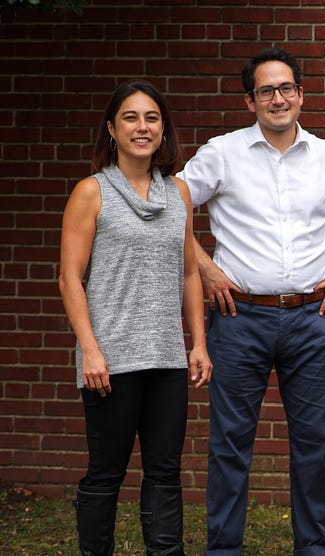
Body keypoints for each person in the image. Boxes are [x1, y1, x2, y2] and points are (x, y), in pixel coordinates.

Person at [177, 47, 325, 555]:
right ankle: (223, 550)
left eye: (286, 89)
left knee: (316, 446)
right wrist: (205, 267)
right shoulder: (222, 153)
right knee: (231, 444)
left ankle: (313, 550)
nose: (278, 99)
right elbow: (169, 207)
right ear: (250, 100)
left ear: (301, 94)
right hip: (240, 318)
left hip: (312, 318)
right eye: (266, 91)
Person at [59, 80, 212, 556]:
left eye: (151, 118)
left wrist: (198, 343)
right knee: (107, 472)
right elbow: (69, 278)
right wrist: (90, 350)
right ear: (112, 128)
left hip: (165, 359)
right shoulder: (91, 192)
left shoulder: (179, 194)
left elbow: (189, 271)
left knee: (166, 472)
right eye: (130, 117)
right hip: (111, 361)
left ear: (163, 130)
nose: (142, 127)